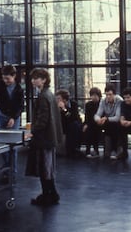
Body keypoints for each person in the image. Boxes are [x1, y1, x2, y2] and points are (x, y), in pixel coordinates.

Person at [25, 68, 62, 207]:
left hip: (44, 139)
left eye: (37, 78)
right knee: (48, 168)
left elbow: (43, 119)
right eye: (33, 78)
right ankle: (51, 194)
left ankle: (48, 195)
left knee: (44, 168)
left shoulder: (43, 96)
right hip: (49, 138)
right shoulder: (49, 94)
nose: (34, 80)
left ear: (44, 80)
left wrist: (32, 131)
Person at [94, 84, 123, 160]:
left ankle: (115, 149)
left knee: (113, 124)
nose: (108, 97)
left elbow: (117, 117)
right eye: (106, 95)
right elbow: (97, 114)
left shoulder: (119, 101)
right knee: (94, 124)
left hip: (116, 122)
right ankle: (96, 149)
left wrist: (106, 119)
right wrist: (98, 120)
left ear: (114, 94)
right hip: (106, 122)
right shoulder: (103, 101)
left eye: (110, 95)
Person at [55, 89, 82, 157]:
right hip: (63, 125)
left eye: (59, 98)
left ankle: (74, 149)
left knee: (74, 125)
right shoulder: (56, 106)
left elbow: (72, 118)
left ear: (64, 99)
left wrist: (64, 109)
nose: (57, 100)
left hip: (72, 124)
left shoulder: (73, 104)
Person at [82, 87, 102, 158]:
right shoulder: (88, 104)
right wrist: (86, 124)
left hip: (99, 123)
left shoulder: (101, 104)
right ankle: (88, 150)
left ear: (99, 96)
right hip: (90, 123)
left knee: (93, 129)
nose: (94, 97)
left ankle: (95, 150)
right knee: (88, 129)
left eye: (96, 95)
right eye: (92, 95)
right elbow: (87, 117)